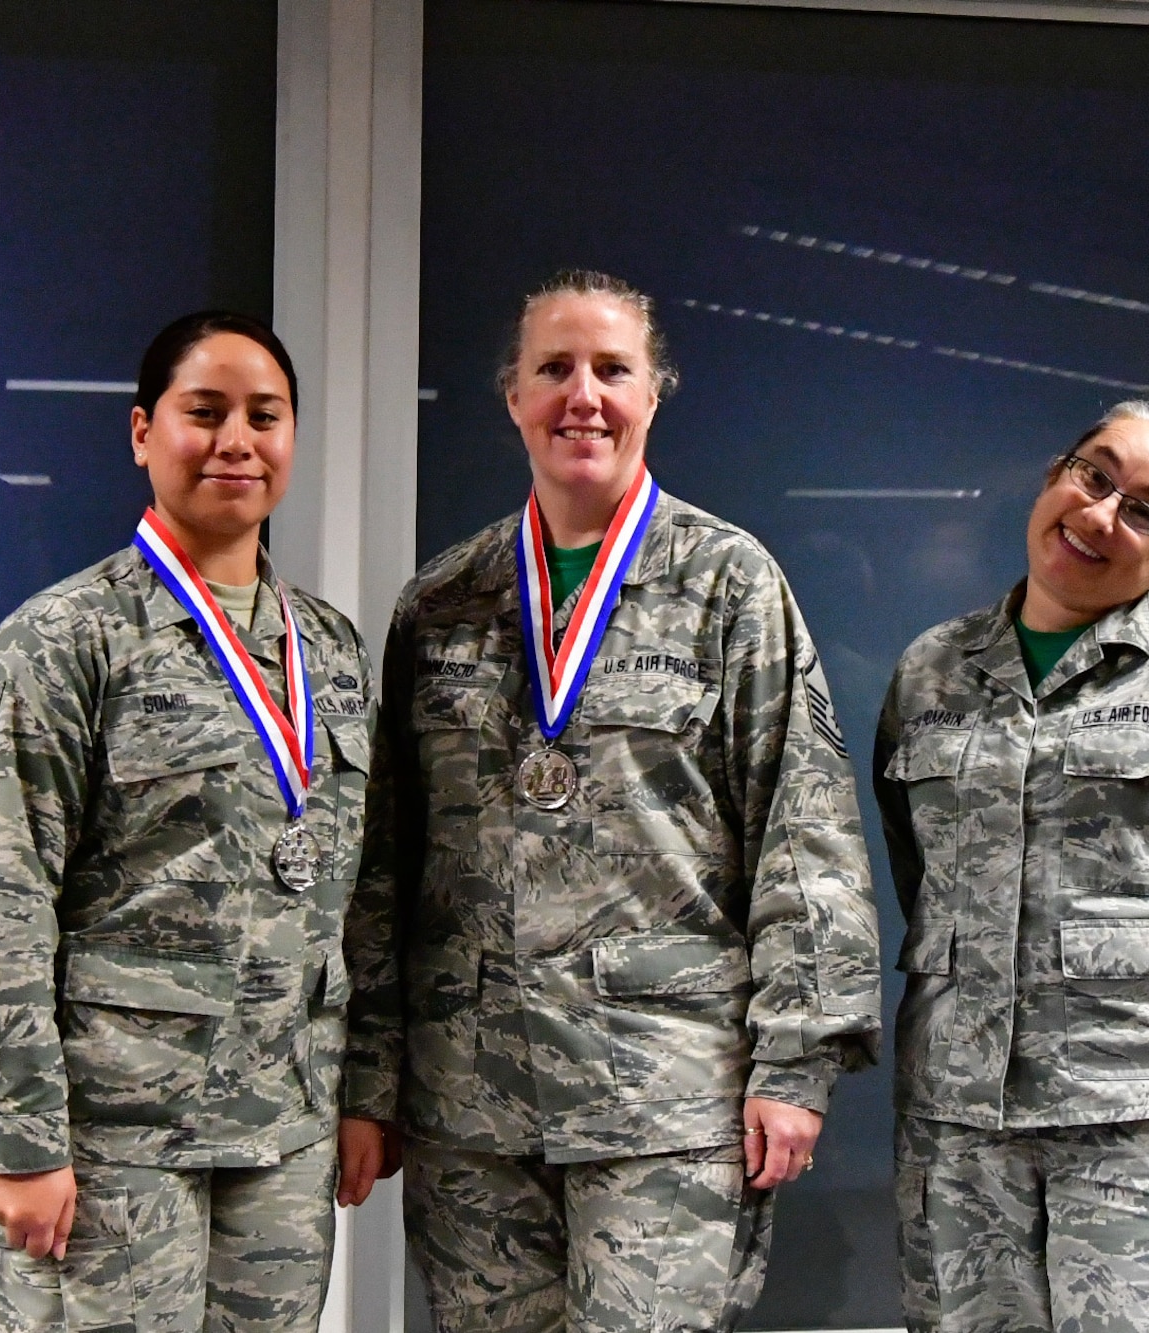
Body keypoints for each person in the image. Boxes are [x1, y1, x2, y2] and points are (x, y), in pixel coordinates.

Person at [340, 269, 880, 1332]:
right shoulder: (441, 600)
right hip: (470, 1103)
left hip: (663, 1097)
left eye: (610, 369)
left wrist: (793, 1063)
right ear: (511, 397)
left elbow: (802, 831)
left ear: (651, 393)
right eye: (552, 369)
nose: (580, 394)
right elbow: (383, 863)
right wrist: (369, 1074)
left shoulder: (728, 582)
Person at [0, 310, 373, 1332]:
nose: (235, 441)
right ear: (141, 432)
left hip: (281, 1142)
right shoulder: (61, 642)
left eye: (264, 416)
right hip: (111, 1144)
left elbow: (365, 891)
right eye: (203, 412)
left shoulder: (331, 653)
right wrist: (19, 1137)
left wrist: (364, 1092)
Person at [875, 400, 1149, 1333]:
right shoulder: (933, 668)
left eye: (1145, 509)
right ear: (1056, 474)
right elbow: (919, 871)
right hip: (963, 1130)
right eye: (1094, 475)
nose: (1100, 514)